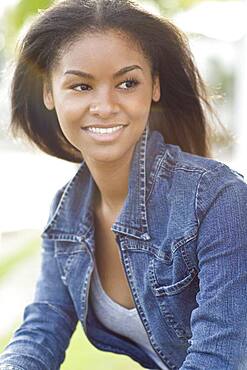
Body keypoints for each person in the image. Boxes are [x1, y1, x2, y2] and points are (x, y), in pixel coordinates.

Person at [1, 0, 247, 369]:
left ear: (154, 87)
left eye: (127, 83)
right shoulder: (66, 212)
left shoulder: (216, 199)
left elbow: (220, 357)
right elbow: (43, 326)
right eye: (81, 86)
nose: (105, 105)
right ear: (48, 94)